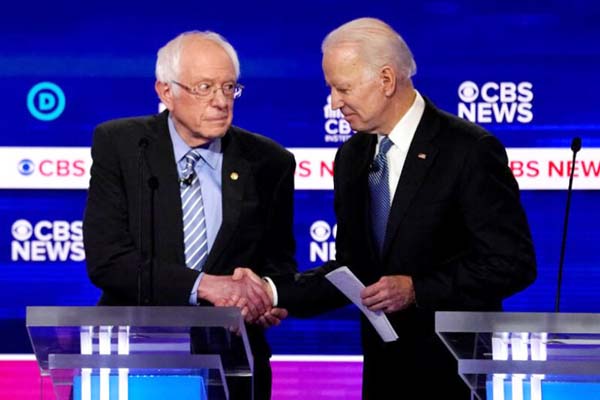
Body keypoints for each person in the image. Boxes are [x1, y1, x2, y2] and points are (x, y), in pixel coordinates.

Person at [243, 17, 537, 399]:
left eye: (342, 88)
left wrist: (417, 290)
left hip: (455, 372)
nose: (333, 102)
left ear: (385, 79)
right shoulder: (352, 156)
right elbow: (353, 271)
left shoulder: (467, 150)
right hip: (384, 372)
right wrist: (271, 292)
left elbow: (512, 262)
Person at [82, 30, 296, 400]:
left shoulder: (269, 162)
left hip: (231, 362)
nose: (220, 102)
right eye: (204, 87)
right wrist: (205, 285)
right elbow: (108, 261)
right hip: (133, 358)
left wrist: (264, 299)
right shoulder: (122, 146)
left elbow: (278, 264)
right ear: (166, 92)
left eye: (229, 88)